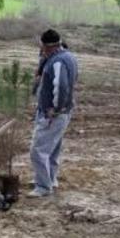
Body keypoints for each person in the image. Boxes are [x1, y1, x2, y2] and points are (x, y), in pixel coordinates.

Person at [29, 29, 78, 198]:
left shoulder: (58, 62)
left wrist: (54, 109)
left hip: (54, 114)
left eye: (42, 47)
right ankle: (50, 179)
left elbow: (61, 86)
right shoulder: (68, 56)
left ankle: (43, 186)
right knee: (52, 149)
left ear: (45, 46)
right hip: (62, 112)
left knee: (38, 151)